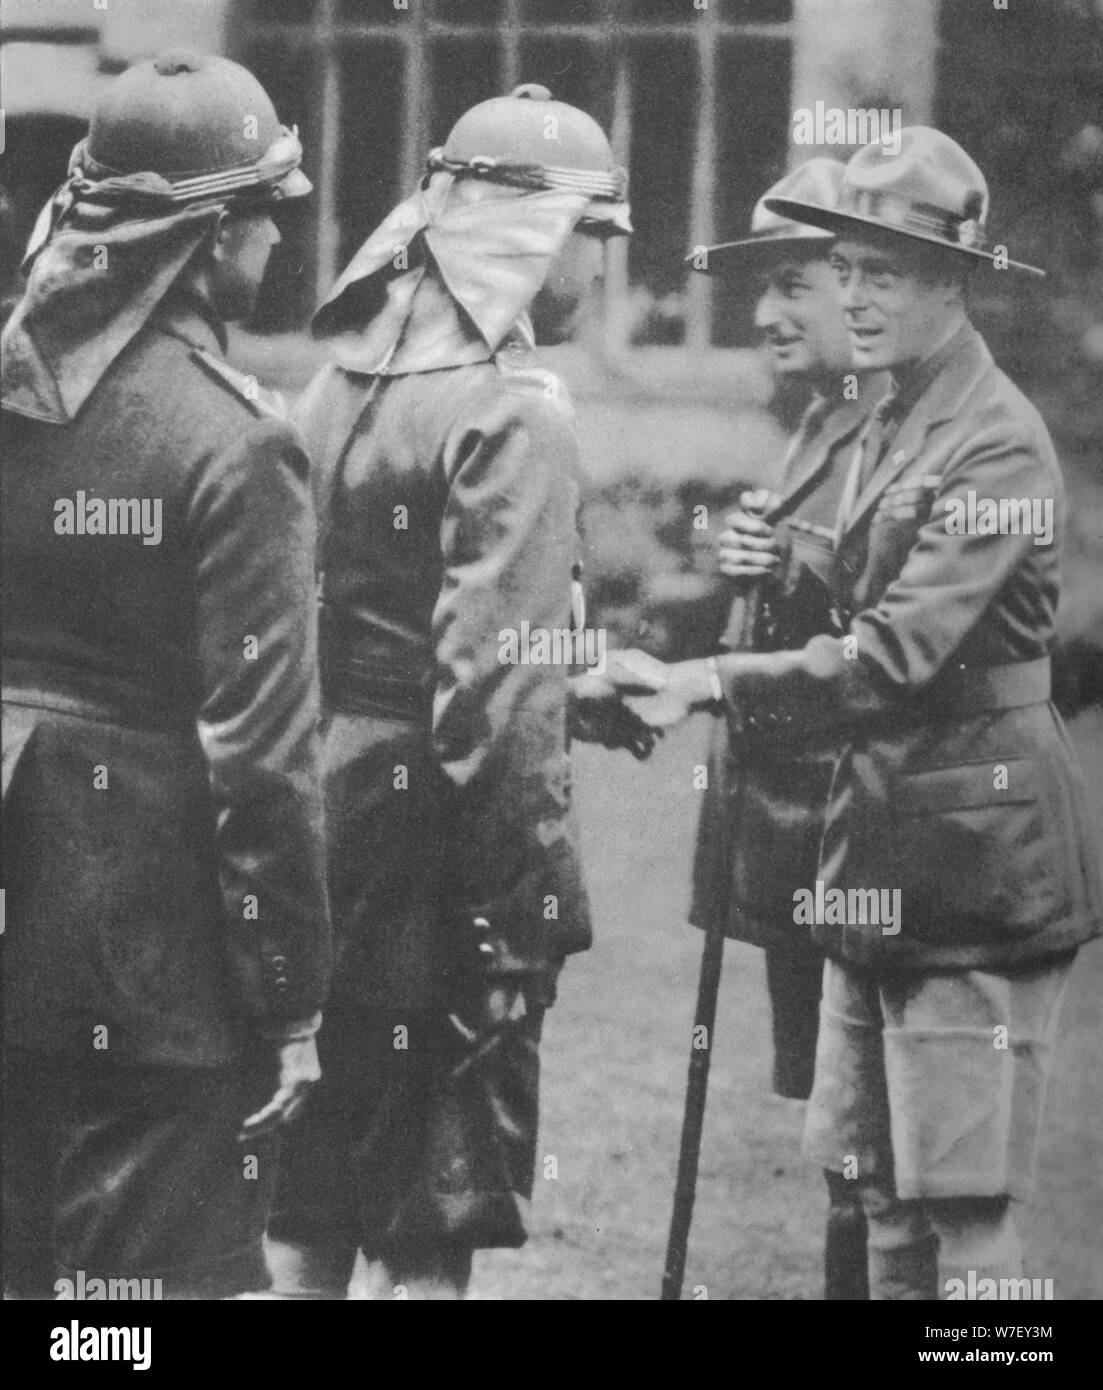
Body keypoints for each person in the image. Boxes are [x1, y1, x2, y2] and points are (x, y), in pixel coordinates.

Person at [622, 128, 1103, 1299]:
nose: (854, 295)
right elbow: (838, 581)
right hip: (875, 841)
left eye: (880, 272)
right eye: (844, 267)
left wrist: (707, 681)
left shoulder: (991, 441)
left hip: (976, 856)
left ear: (951, 278)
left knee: (967, 1208)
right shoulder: (882, 416)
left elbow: (896, 653)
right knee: (878, 1191)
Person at [269, 84, 646, 1300]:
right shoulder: (511, 408)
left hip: (321, 813)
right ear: (540, 235)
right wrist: (520, 913)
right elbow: (491, 698)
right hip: (436, 845)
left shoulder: (330, 385)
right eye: (599, 232)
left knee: (310, 1195)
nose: (601, 264)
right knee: (431, 1216)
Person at [1, 51, 331, 1299]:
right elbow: (262, 759)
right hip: (150, 954)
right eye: (265, 212)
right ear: (211, 238)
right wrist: (292, 1006)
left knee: (35, 1286)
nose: (276, 238)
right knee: (143, 1305)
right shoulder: (238, 440)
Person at [689, 157, 887, 1300]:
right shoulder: (820, 419)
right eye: (759, 284)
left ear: (861, 284)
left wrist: (797, 558)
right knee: (834, 1126)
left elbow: (917, 634)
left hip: (871, 837)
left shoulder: (914, 424)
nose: (763, 312)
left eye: (791, 283)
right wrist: (748, 565)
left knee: (874, 1137)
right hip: (793, 826)